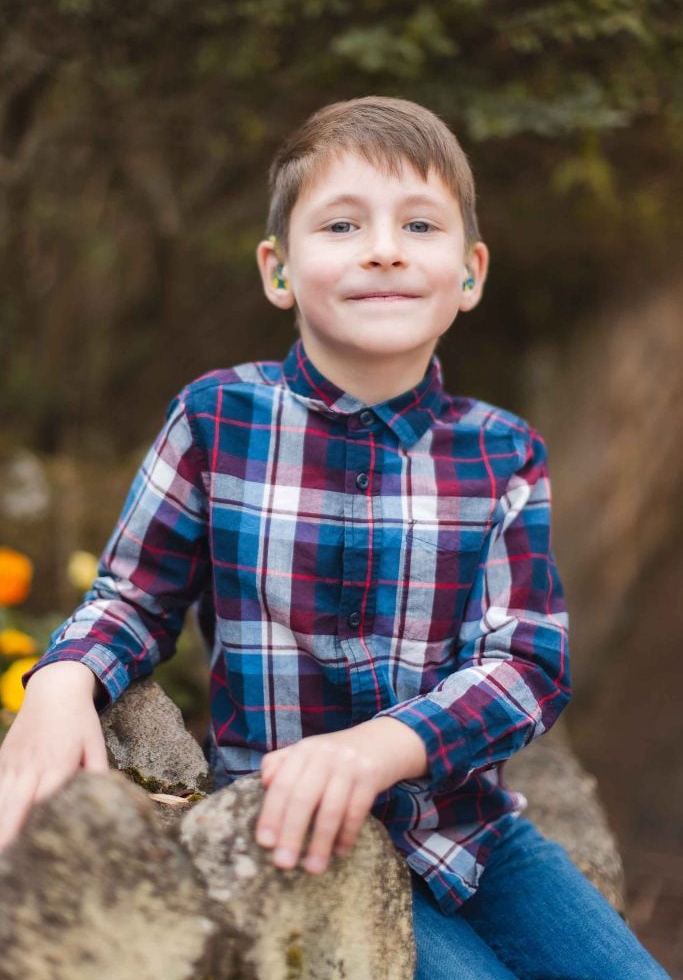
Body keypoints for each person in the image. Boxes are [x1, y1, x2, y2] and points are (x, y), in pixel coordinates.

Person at [0, 97, 669, 979]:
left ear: (468, 276)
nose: (383, 247)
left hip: (471, 835)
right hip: (300, 841)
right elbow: (132, 598)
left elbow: (527, 665)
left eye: (418, 225)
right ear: (279, 271)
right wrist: (59, 683)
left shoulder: (502, 451)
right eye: (343, 223)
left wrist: (378, 747)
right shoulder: (214, 420)